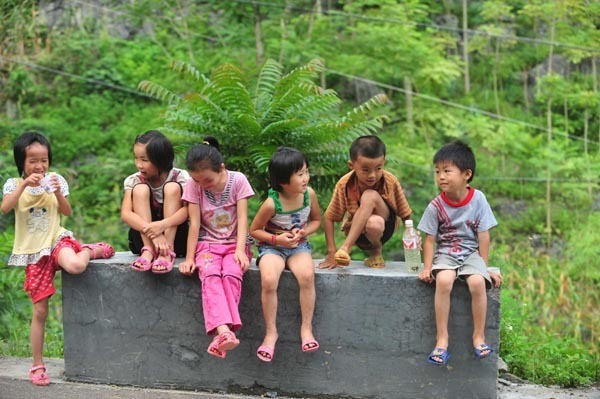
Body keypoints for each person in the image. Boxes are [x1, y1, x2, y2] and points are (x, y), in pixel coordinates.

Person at [1, 132, 115, 386]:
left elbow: (67, 211)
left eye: (43, 160)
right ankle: (37, 365)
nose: (39, 166)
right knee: (40, 311)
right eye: (32, 161)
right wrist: (23, 185)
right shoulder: (11, 184)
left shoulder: (56, 180)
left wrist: (57, 192)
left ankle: (89, 250)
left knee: (75, 265)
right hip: (33, 253)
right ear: (21, 162)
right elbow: (6, 207)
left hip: (56, 240)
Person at [417, 140, 502, 366]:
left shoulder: (479, 200)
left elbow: (483, 235)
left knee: (476, 283)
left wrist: (484, 268)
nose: (441, 177)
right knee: (444, 280)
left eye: (447, 171)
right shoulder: (435, 206)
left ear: (466, 174)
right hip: (446, 253)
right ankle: (442, 339)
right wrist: (427, 267)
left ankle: (479, 337)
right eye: (437, 171)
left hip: (471, 254)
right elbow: (429, 239)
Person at [178, 137, 255, 359]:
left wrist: (240, 250)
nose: (202, 184)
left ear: (222, 168)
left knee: (231, 273)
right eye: (197, 180)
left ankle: (223, 335)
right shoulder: (194, 185)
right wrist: (190, 257)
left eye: (207, 180)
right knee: (210, 275)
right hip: (207, 245)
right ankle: (224, 331)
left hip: (234, 244)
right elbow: (194, 223)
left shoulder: (238, 180)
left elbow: (242, 218)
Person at [250, 147, 322, 362]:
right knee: (269, 280)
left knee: (307, 276)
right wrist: (277, 240)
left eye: (306, 172)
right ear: (283, 180)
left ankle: (306, 330)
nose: (305, 178)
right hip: (272, 247)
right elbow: (254, 231)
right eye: (299, 174)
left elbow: (317, 220)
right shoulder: (272, 203)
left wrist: (304, 232)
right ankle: (271, 333)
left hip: (298, 246)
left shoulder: (308, 195)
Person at [319, 135, 412, 269]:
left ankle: (347, 248)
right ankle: (370, 252)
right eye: (365, 170)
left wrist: (411, 234)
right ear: (351, 165)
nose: (373, 175)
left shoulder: (390, 181)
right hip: (358, 235)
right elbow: (329, 217)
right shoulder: (344, 184)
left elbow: (405, 212)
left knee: (370, 197)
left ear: (384, 162)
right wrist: (331, 252)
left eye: (378, 168)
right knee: (373, 221)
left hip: (385, 227)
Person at [120, 130, 189, 274]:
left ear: (161, 159)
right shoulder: (134, 180)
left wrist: (162, 225)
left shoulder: (180, 177)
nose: (139, 165)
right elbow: (126, 214)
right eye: (136, 158)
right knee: (139, 190)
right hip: (143, 240)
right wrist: (154, 233)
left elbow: (188, 210)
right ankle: (149, 251)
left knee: (172, 188)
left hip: (177, 240)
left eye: (144, 160)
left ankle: (166, 253)